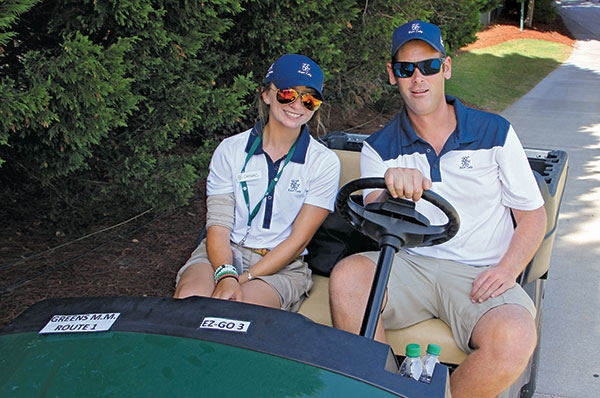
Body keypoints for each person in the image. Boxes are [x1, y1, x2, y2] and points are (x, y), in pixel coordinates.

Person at [328, 21, 547, 397]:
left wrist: (508, 268)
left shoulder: (494, 132)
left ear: (445, 67)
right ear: (392, 75)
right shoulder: (380, 148)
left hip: (480, 270)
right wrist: (390, 191)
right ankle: (386, 389)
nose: (418, 78)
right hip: (411, 264)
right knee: (348, 277)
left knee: (515, 336)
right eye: (405, 69)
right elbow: (371, 216)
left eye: (428, 66)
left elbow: (532, 217)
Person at [174, 54, 340, 313]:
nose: (297, 106)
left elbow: (297, 240)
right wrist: (226, 275)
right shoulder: (230, 150)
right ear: (266, 94)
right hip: (222, 253)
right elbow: (217, 226)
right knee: (189, 301)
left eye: (309, 99)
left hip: (281, 266)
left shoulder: (324, 162)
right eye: (288, 94)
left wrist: (244, 278)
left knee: (238, 312)